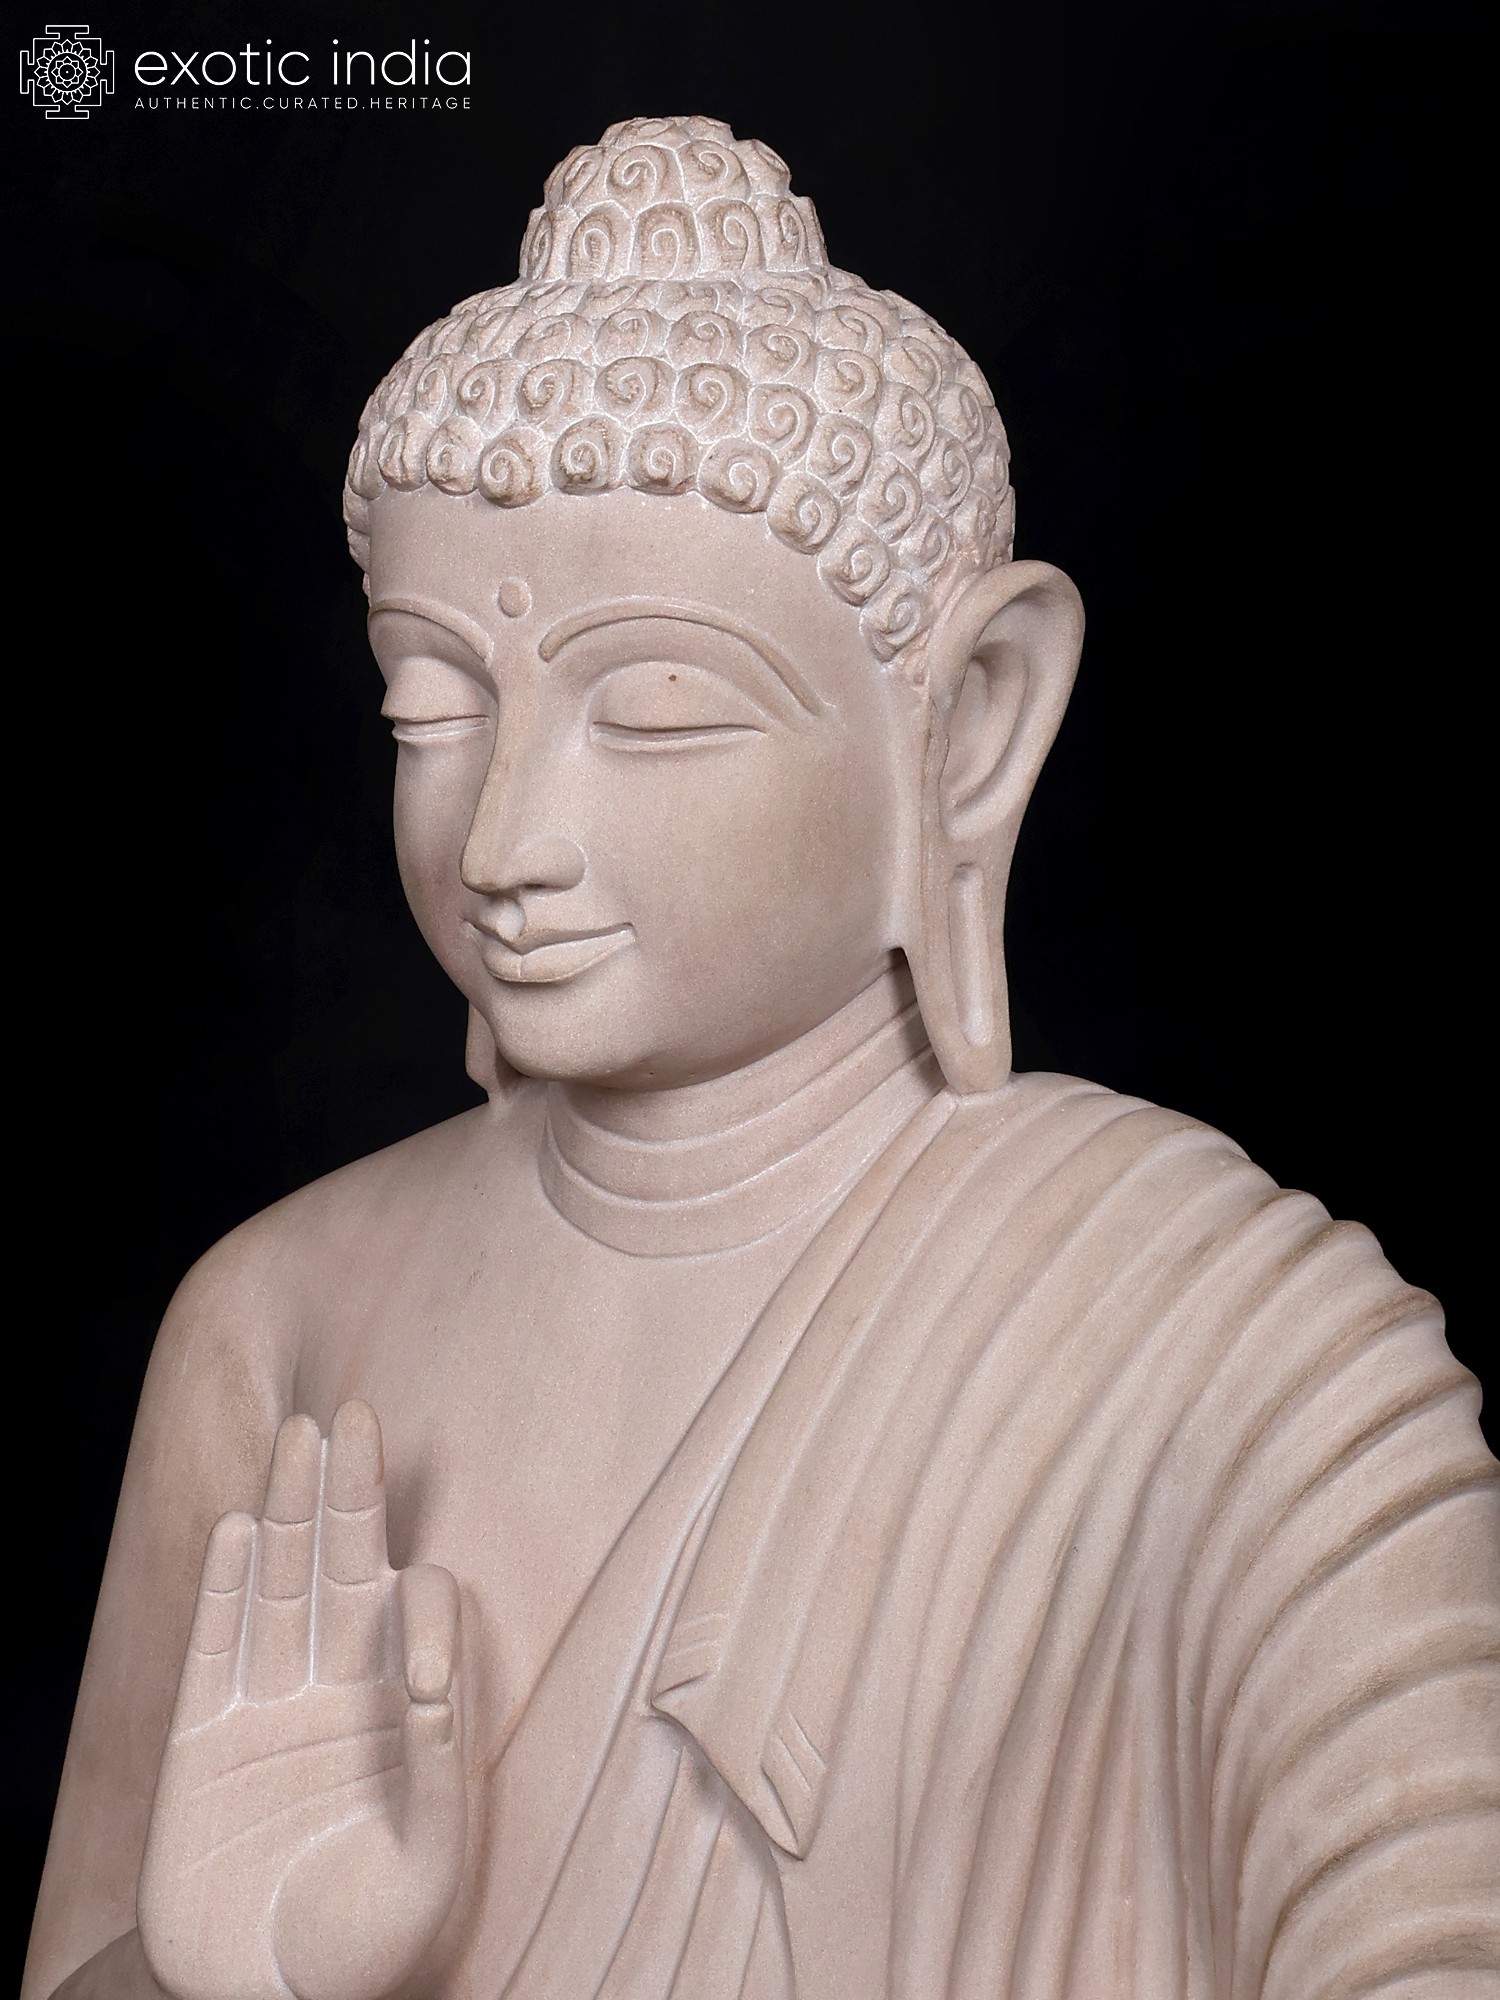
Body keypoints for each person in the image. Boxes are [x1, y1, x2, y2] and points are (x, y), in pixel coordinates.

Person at [25, 116, 1499, 2000]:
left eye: (654, 706)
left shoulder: (1250, 1360)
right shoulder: (276, 1322)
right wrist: (236, 1976)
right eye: (431, 708)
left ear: (969, 725)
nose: (506, 839)